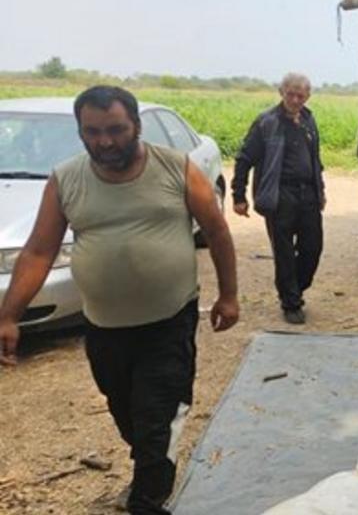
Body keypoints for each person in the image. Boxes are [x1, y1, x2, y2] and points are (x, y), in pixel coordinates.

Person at [0, 85, 239, 515]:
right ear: (80, 132)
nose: (105, 141)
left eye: (115, 129)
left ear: (136, 126)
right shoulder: (66, 180)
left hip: (168, 321)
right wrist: (9, 316)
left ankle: (147, 499)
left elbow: (217, 232)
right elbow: (38, 251)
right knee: (127, 412)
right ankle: (151, 462)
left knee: (157, 417)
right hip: (105, 327)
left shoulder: (176, 168)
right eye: (92, 132)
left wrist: (229, 295)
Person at [232, 73, 325, 324]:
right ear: (281, 92)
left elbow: (316, 160)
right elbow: (244, 159)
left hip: (308, 194)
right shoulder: (267, 122)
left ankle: (295, 285)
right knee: (283, 251)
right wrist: (238, 195)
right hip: (279, 196)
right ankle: (291, 302)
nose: (295, 99)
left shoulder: (308, 119)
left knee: (312, 248)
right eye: (291, 94)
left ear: (308, 96)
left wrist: (321, 191)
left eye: (301, 95)